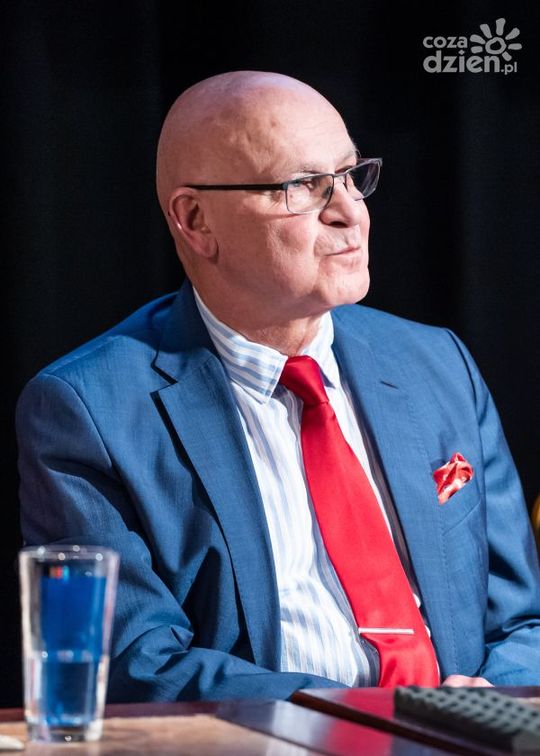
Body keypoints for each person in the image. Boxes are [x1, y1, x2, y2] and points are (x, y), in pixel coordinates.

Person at [17, 71, 540, 702]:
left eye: (351, 176)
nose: (350, 211)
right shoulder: (88, 410)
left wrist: (487, 704)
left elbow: (523, 623)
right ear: (195, 220)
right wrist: (379, 720)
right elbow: (140, 664)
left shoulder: (437, 364)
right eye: (303, 187)